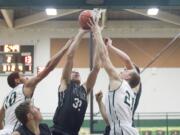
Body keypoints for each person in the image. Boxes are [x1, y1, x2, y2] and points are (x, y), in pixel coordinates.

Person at [0, 39, 72, 135]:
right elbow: (49, 67)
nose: (26, 77)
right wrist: (65, 48)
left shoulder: (7, 97)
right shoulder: (25, 87)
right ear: (17, 80)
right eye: (23, 76)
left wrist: (4, 129)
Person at [89, 17, 140, 134]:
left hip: (123, 130)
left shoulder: (119, 83)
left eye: (125, 71)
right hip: (122, 130)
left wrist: (97, 32)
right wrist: (99, 102)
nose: (122, 70)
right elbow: (108, 121)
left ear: (128, 77)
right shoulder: (129, 92)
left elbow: (104, 57)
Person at [51, 28, 100, 135]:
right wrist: (81, 33)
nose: (76, 72)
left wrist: (97, 39)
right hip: (58, 131)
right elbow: (70, 57)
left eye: (77, 72)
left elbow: (96, 68)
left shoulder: (84, 89)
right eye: (73, 72)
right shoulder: (65, 83)